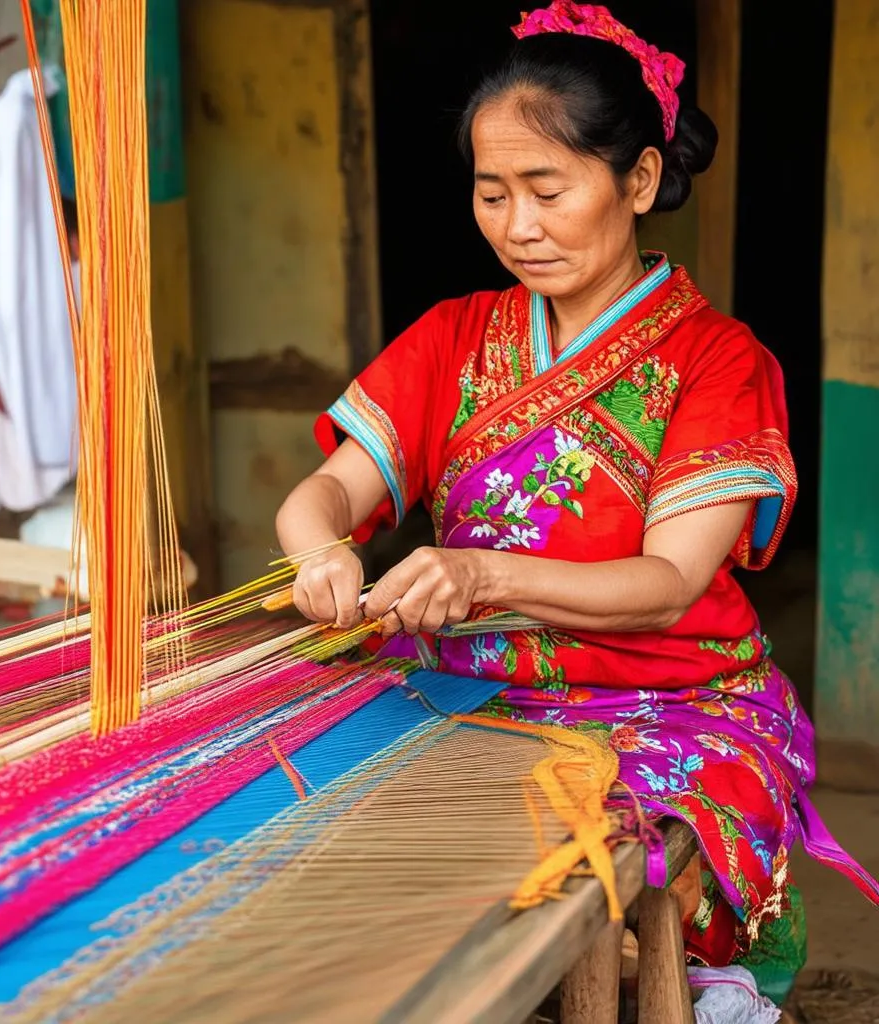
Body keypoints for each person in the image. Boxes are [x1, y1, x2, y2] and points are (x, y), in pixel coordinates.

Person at [276, 0, 879, 1005]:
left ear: (638, 179)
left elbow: (665, 584)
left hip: (665, 698)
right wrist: (318, 552)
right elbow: (330, 488)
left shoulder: (714, 361)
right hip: (460, 688)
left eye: (547, 190)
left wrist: (481, 571)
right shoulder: (452, 337)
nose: (518, 227)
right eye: (492, 194)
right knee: (286, 813)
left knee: (586, 874)